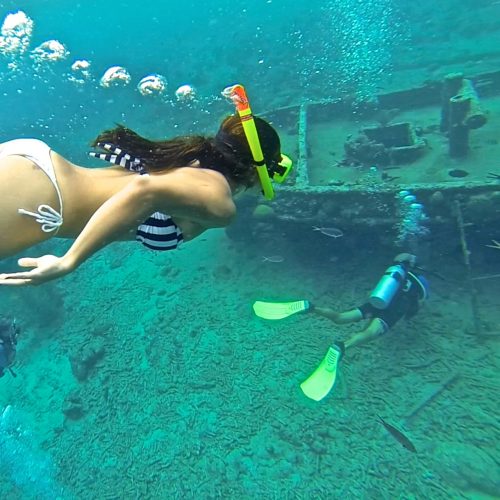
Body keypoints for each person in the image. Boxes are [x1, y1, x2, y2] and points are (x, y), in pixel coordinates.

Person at [0, 85, 292, 286]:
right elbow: (145, 190)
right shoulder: (220, 202)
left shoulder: (192, 159)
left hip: (36, 167)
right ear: (256, 171)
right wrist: (69, 262)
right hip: (39, 201)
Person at [253, 253, 429, 401]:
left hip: (376, 303)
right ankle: (342, 346)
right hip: (391, 313)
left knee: (340, 317)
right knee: (368, 333)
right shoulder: (421, 283)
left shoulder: (399, 273)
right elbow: (417, 305)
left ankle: (311, 307)